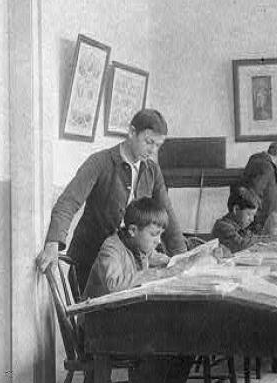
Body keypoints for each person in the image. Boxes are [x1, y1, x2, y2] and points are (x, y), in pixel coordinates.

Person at [36, 108, 186, 291]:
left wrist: (182, 259)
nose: (153, 150)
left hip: (127, 267)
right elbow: (69, 201)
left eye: (158, 145)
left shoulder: (152, 170)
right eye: (149, 142)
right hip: (90, 265)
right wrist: (52, 244)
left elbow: (168, 215)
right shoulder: (100, 162)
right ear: (131, 132)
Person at [82, 196, 198, 383]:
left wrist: (183, 262)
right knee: (162, 349)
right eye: (154, 235)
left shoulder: (138, 246)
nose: (158, 241)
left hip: (123, 322)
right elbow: (114, 283)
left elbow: (158, 259)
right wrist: (158, 274)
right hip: (99, 328)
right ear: (133, 230)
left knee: (186, 345)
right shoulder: (112, 246)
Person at [240, 141, 277, 233]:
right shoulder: (267, 167)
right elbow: (254, 194)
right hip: (259, 221)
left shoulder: (257, 160)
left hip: (253, 218)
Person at [211, 184, 266, 254]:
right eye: (249, 214)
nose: (252, 219)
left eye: (253, 215)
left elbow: (250, 238)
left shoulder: (239, 227)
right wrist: (262, 240)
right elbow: (240, 245)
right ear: (236, 209)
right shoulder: (223, 227)